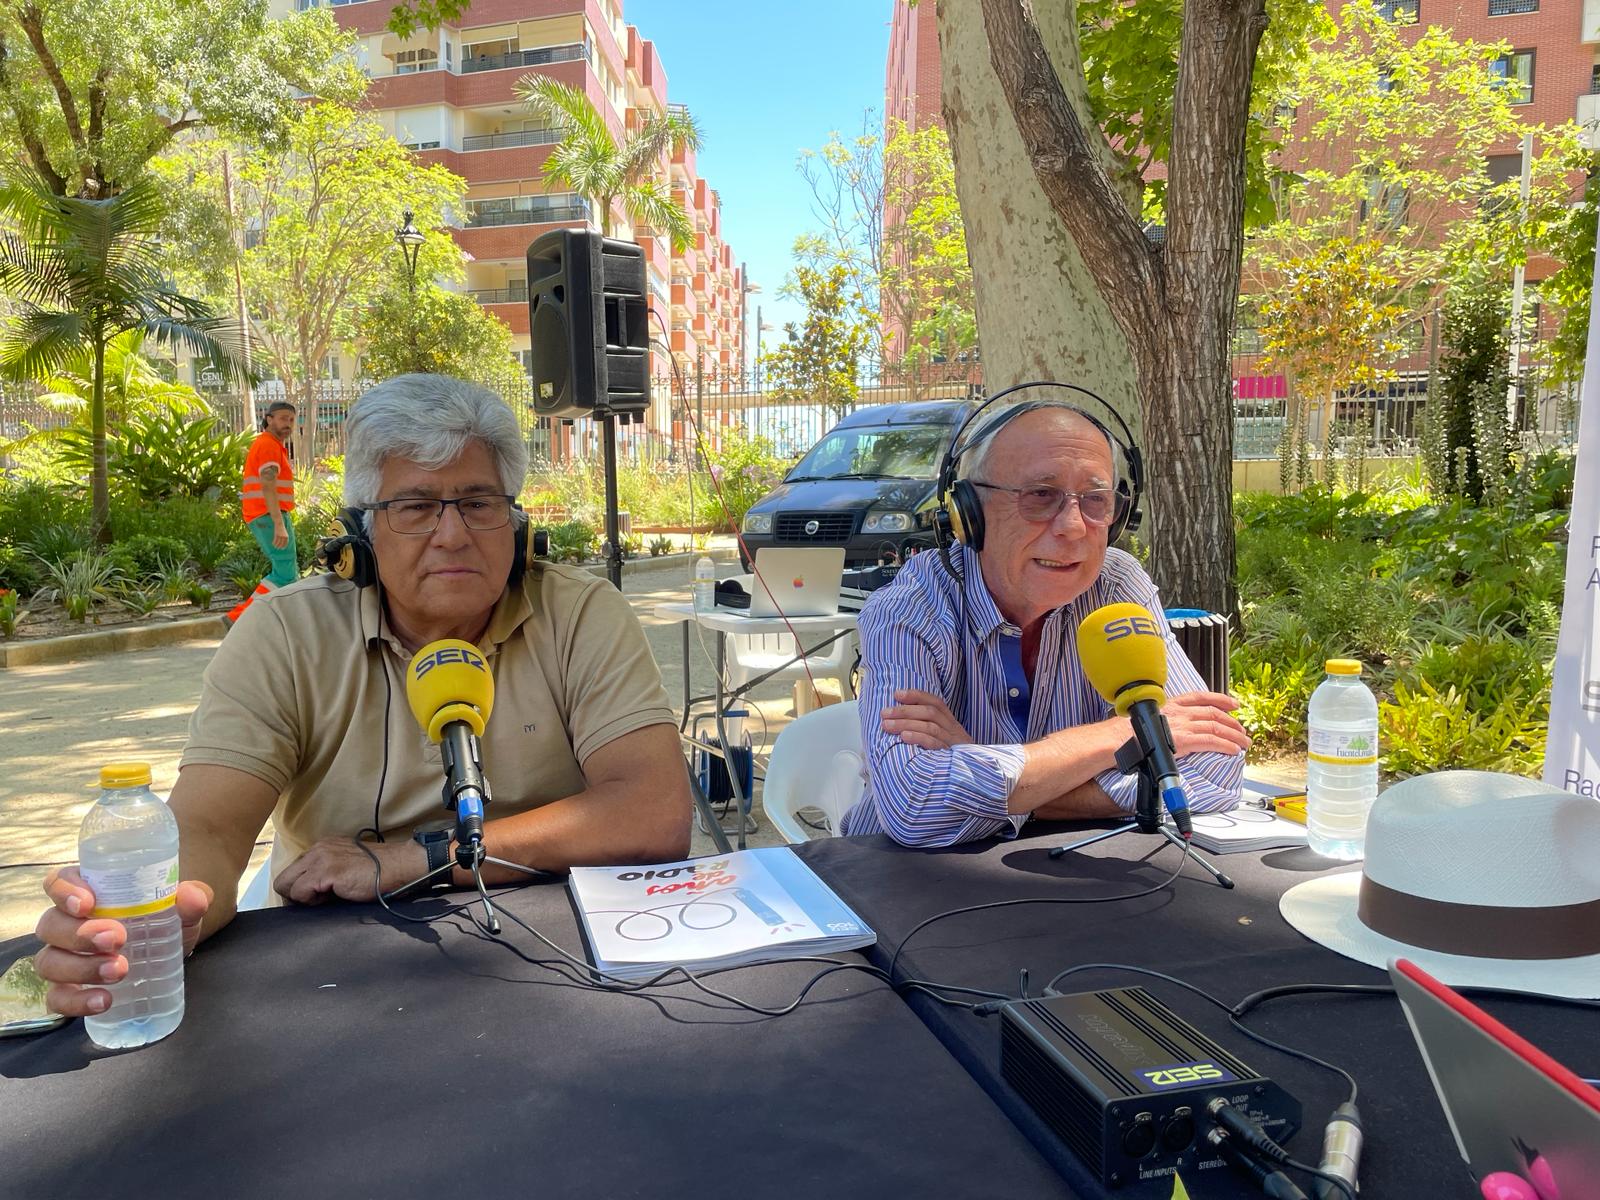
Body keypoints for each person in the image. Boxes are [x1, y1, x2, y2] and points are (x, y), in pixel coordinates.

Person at [35, 374, 691, 1019]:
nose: (454, 534)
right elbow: (208, 824)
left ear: (517, 528)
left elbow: (652, 811)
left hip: (562, 964)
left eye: (479, 503)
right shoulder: (285, 634)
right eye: (415, 507)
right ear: (361, 539)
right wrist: (166, 910)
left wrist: (414, 860)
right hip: (339, 988)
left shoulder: (581, 614)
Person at [839, 397, 1250, 847]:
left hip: (1074, 873)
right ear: (967, 513)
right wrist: (1119, 736)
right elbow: (915, 807)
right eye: (1040, 495)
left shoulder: (1116, 583)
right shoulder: (908, 609)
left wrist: (984, 765)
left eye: (1095, 500)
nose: (1074, 526)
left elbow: (1215, 770)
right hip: (898, 883)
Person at [227, 399, 299, 623]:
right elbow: (268, 484)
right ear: (269, 420)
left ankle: (275, 621)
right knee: (285, 573)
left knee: (287, 572)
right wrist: (279, 523)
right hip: (268, 516)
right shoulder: (268, 444)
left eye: (291, 420)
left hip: (266, 514)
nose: (288, 424)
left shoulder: (272, 444)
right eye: (283, 418)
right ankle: (241, 618)